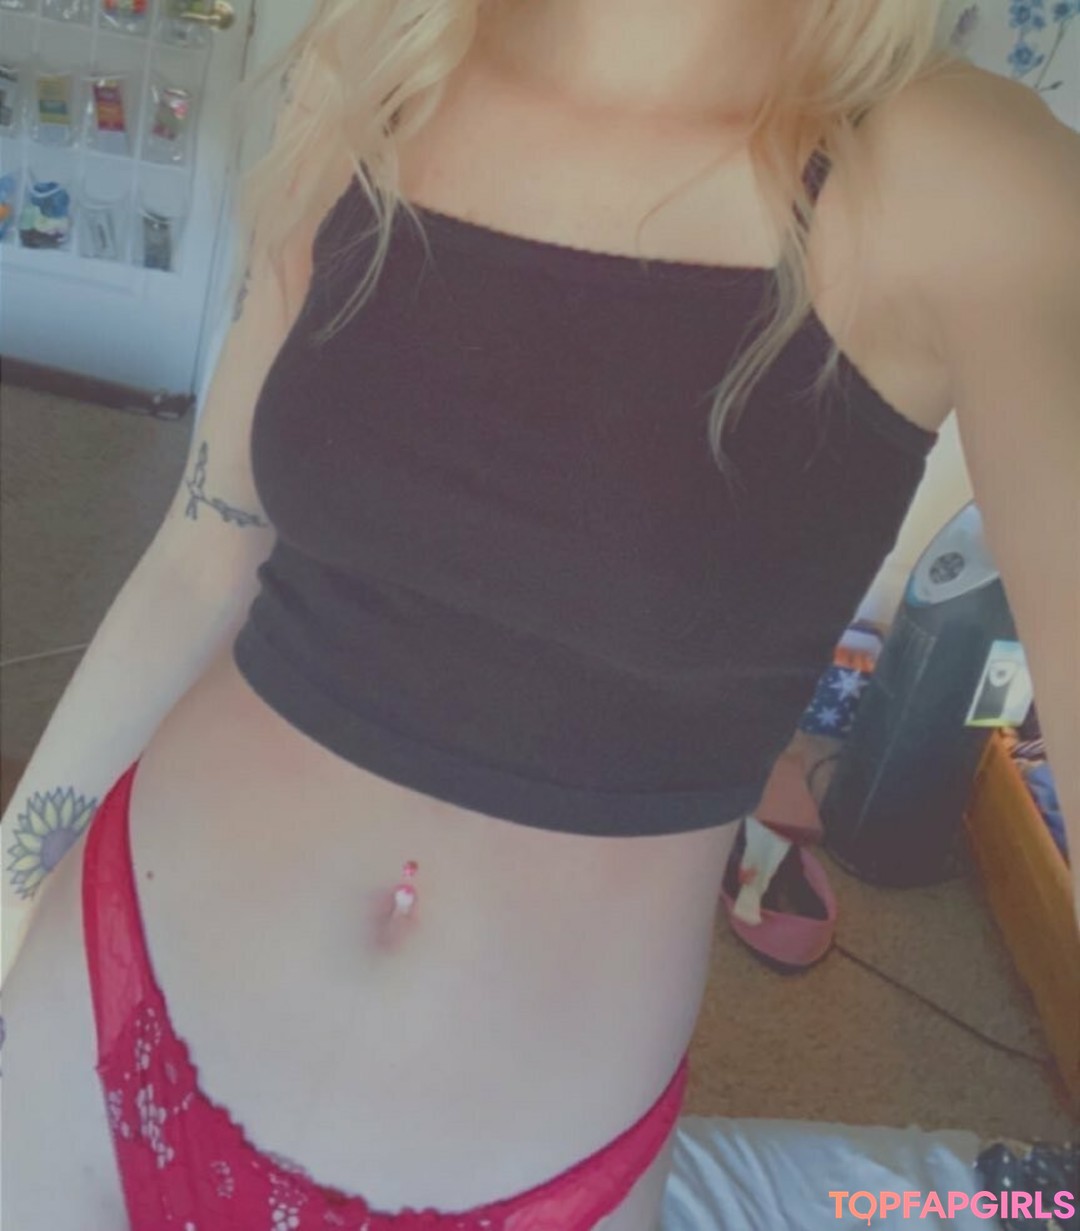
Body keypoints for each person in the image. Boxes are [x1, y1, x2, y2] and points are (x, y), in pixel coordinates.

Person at [3, 1, 1078, 1227]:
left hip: (535, 1180)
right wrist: (9, 902)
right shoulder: (375, 64)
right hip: (99, 1013)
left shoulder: (970, 181)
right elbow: (202, 558)